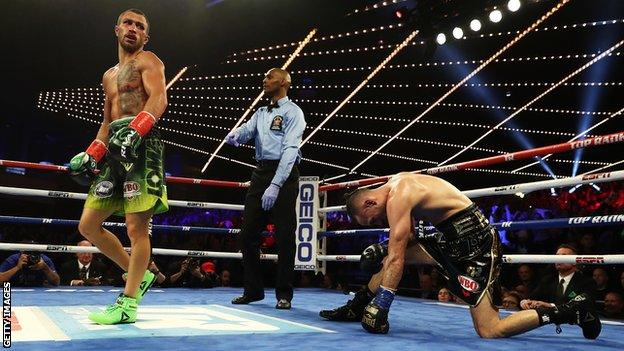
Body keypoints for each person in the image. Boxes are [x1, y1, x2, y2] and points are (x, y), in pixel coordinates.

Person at [319, 173, 601, 339]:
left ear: (370, 202)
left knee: (490, 330)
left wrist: (382, 304)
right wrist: (384, 250)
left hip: (476, 245)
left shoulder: (399, 194)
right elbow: (402, 245)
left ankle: (571, 312)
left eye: (370, 219)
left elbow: (397, 257)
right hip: (447, 239)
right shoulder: (396, 185)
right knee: (383, 253)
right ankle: (357, 306)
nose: (375, 222)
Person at [67, 8, 168, 324]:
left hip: (143, 145)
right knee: (88, 225)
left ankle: (128, 302)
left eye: (140, 26)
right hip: (114, 148)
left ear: (145, 36)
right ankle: (137, 275)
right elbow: (107, 122)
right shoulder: (109, 75)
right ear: (116, 29)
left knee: (136, 228)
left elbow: (159, 99)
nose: (133, 28)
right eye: (128, 22)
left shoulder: (149, 60)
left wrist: (137, 130)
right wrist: (92, 153)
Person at [225, 68, 306, 309]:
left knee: (284, 237)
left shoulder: (294, 113)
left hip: (285, 173)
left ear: (283, 81)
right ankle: (253, 290)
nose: (264, 79)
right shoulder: (261, 112)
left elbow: (291, 150)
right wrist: (235, 136)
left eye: (269, 77)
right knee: (247, 235)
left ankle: (284, 294)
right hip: (260, 172)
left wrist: (276, 184)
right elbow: (247, 132)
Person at [524, 245, 596, 306]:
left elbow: (581, 306)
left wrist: (550, 306)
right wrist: (525, 302)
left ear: (574, 262)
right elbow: (532, 297)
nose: (559, 259)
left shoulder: (586, 282)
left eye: (563, 256)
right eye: (557, 256)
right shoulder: (548, 280)